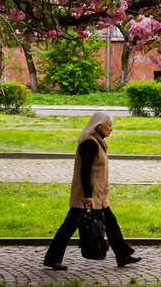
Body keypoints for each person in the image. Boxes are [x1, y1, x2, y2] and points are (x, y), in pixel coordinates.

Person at [43, 112, 141, 270]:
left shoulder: (98, 141)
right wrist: (87, 195)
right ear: (99, 125)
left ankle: (123, 255)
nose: (111, 129)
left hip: (99, 194)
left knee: (111, 224)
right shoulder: (90, 143)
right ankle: (52, 258)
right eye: (109, 125)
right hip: (87, 195)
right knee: (69, 227)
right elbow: (85, 171)